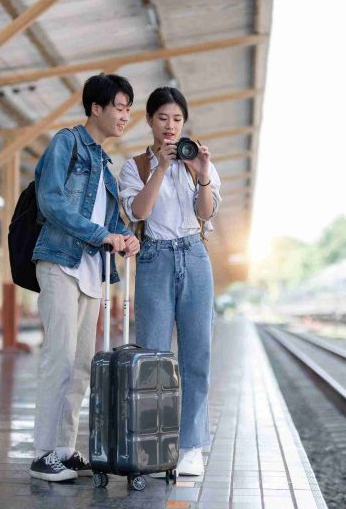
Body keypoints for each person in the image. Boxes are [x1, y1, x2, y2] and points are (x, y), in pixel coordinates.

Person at [29, 73, 140, 482]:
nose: (126, 115)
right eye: (120, 106)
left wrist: (125, 237)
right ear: (97, 107)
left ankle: (64, 447)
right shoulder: (67, 143)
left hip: (92, 273)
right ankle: (42, 453)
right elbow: (51, 200)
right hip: (60, 262)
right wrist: (100, 235)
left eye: (129, 108)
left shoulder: (105, 169)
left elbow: (112, 220)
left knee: (79, 365)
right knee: (58, 357)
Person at [118, 86, 222, 476]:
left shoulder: (199, 163)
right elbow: (139, 211)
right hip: (155, 257)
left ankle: (191, 445)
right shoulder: (136, 167)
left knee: (198, 355)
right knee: (154, 358)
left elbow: (206, 213)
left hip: (194, 256)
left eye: (177, 119)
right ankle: (154, 442)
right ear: (149, 120)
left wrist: (204, 175)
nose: (170, 126)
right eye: (163, 118)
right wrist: (161, 168)